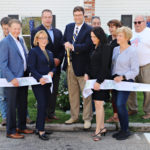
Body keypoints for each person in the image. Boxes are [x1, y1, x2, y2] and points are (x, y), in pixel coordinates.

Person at [0, 19, 33, 139]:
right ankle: (11, 130)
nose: (17, 31)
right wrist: (11, 78)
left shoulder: (20, 40)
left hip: (23, 77)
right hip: (13, 80)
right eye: (14, 28)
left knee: (22, 103)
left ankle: (22, 127)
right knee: (12, 105)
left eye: (19, 29)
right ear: (8, 28)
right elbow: (3, 64)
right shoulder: (5, 42)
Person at [31, 9, 65, 121]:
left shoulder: (58, 32)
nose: (47, 19)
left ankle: (51, 112)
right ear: (42, 18)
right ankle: (44, 114)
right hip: (42, 68)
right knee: (44, 92)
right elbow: (35, 47)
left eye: (49, 17)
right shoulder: (36, 31)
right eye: (45, 17)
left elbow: (61, 48)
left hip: (55, 67)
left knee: (54, 90)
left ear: (52, 18)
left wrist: (58, 59)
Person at [63, 6, 93, 129]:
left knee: (86, 94)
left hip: (83, 67)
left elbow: (87, 46)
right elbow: (64, 41)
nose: (77, 17)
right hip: (70, 66)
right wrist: (65, 44)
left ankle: (87, 119)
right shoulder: (69, 27)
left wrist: (73, 47)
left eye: (79, 15)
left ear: (83, 15)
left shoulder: (89, 29)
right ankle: (74, 116)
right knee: (73, 94)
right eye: (75, 15)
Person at [84, 27, 112, 141]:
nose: (92, 39)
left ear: (100, 36)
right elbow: (91, 64)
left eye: (94, 37)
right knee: (98, 105)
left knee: (99, 105)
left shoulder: (106, 47)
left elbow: (105, 67)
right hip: (94, 80)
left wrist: (98, 82)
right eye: (91, 37)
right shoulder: (94, 47)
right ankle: (102, 127)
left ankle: (98, 131)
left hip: (101, 81)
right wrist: (87, 73)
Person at [112, 26, 139, 140]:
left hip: (126, 81)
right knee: (117, 105)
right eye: (117, 35)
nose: (117, 37)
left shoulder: (132, 51)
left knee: (120, 104)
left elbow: (135, 71)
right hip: (114, 81)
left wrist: (123, 77)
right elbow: (113, 65)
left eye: (120, 35)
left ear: (127, 37)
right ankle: (121, 130)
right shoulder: (115, 49)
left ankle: (125, 130)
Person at [28, 30, 56, 140]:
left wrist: (52, 72)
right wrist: (40, 77)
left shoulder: (49, 53)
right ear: (37, 40)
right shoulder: (33, 51)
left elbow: (53, 66)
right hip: (38, 82)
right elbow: (31, 67)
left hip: (47, 82)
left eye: (45, 38)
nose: (43, 40)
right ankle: (40, 131)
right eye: (41, 38)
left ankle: (39, 127)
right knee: (42, 104)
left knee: (45, 105)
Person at [127, 16, 150, 118]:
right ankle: (132, 109)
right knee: (130, 89)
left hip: (146, 66)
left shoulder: (148, 33)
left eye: (139, 22)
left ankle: (148, 111)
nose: (137, 24)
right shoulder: (131, 33)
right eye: (135, 22)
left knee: (148, 90)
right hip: (132, 66)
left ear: (144, 22)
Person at [106, 19, 122, 123]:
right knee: (113, 94)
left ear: (118, 27)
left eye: (113, 26)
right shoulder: (108, 38)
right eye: (110, 26)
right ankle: (115, 115)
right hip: (110, 69)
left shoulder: (122, 39)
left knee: (120, 94)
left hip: (120, 70)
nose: (111, 28)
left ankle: (120, 115)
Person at [0, 17, 11, 126]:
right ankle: (4, 117)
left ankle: (24, 116)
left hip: (13, 70)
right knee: (3, 95)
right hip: (1, 71)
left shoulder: (18, 39)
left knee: (18, 95)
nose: (6, 31)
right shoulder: (1, 40)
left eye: (8, 28)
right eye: (4, 29)